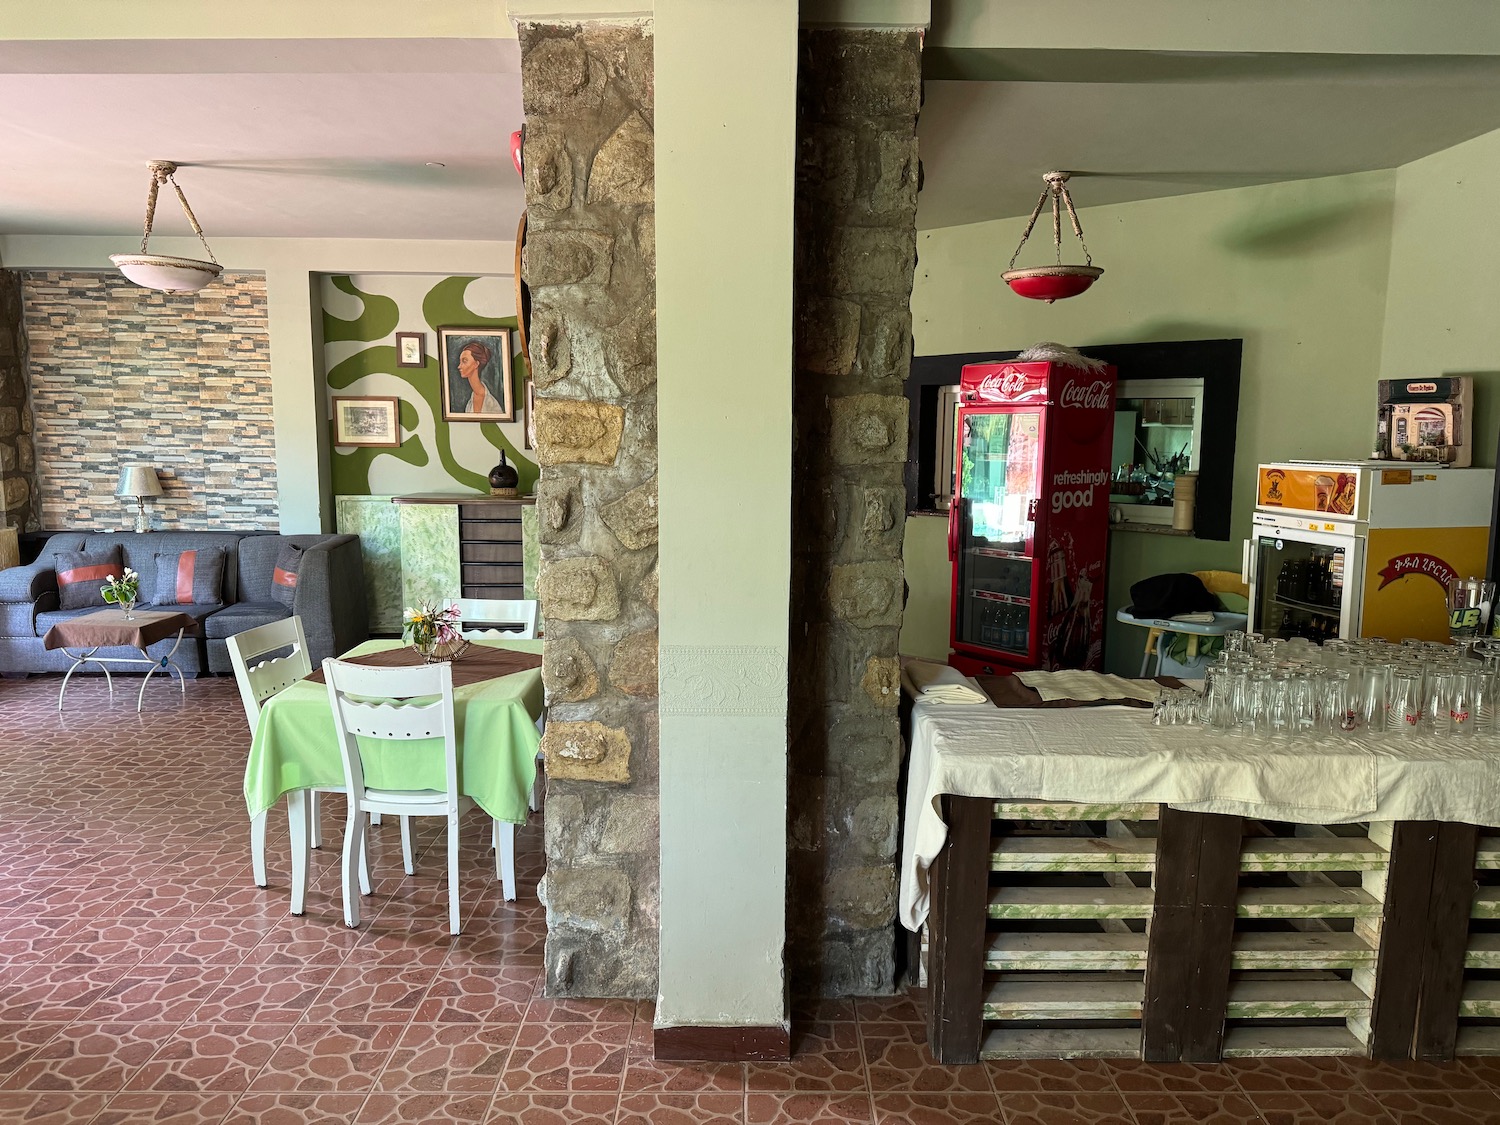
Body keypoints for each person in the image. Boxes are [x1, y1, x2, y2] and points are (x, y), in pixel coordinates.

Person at [450, 340, 507, 416]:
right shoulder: (470, 403)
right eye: (460, 362)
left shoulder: (491, 403)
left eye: (464, 361)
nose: (459, 366)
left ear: (476, 364)